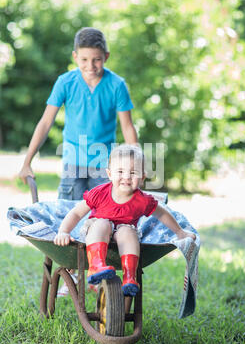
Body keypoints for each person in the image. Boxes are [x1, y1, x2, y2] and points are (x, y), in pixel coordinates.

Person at [18, 28, 138, 294]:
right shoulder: (65, 82)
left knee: (104, 216)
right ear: (75, 57)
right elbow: (46, 121)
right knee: (70, 213)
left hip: (103, 165)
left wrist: (137, 162)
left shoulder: (116, 84)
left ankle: (98, 268)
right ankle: (71, 272)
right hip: (73, 161)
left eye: (96, 59)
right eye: (84, 60)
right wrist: (28, 160)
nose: (90, 66)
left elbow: (127, 127)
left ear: (106, 56)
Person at [53, 144, 196, 296]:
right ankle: (96, 265)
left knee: (127, 230)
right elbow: (76, 213)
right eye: (120, 171)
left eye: (133, 172)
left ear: (142, 177)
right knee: (102, 223)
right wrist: (63, 231)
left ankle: (129, 276)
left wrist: (180, 232)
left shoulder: (142, 200)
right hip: (97, 233)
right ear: (109, 174)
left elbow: (162, 214)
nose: (126, 177)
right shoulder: (100, 193)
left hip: (122, 236)